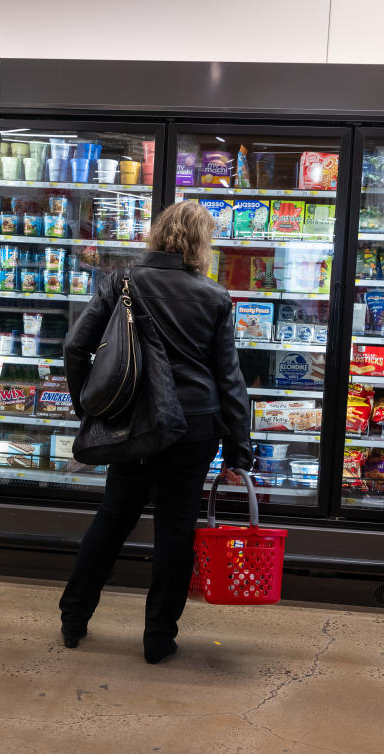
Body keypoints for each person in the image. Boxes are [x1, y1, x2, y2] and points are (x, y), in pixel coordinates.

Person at [58, 201, 253, 664]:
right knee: (175, 532)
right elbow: (230, 380)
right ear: (200, 244)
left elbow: (74, 346)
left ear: (158, 234)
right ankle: (158, 639)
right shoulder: (214, 297)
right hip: (193, 429)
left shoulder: (121, 281)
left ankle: (74, 619)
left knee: (112, 520)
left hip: (131, 423)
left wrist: (87, 404)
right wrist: (238, 453)